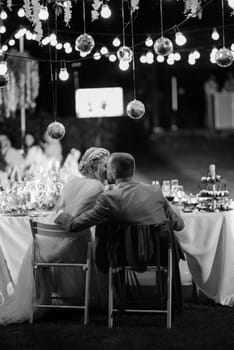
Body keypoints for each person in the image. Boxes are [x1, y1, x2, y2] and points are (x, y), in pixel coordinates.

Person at [0, 147, 110, 325]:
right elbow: (72, 218)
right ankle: (91, 298)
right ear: (94, 167)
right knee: (95, 241)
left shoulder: (73, 180)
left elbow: (58, 209)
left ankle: (77, 296)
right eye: (105, 166)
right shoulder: (97, 186)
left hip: (47, 240)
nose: (108, 170)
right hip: (72, 239)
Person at [55, 152, 184, 233]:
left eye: (107, 167)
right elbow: (179, 225)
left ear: (113, 171)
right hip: (159, 257)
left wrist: (60, 213)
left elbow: (74, 226)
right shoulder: (155, 191)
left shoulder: (108, 199)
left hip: (124, 259)